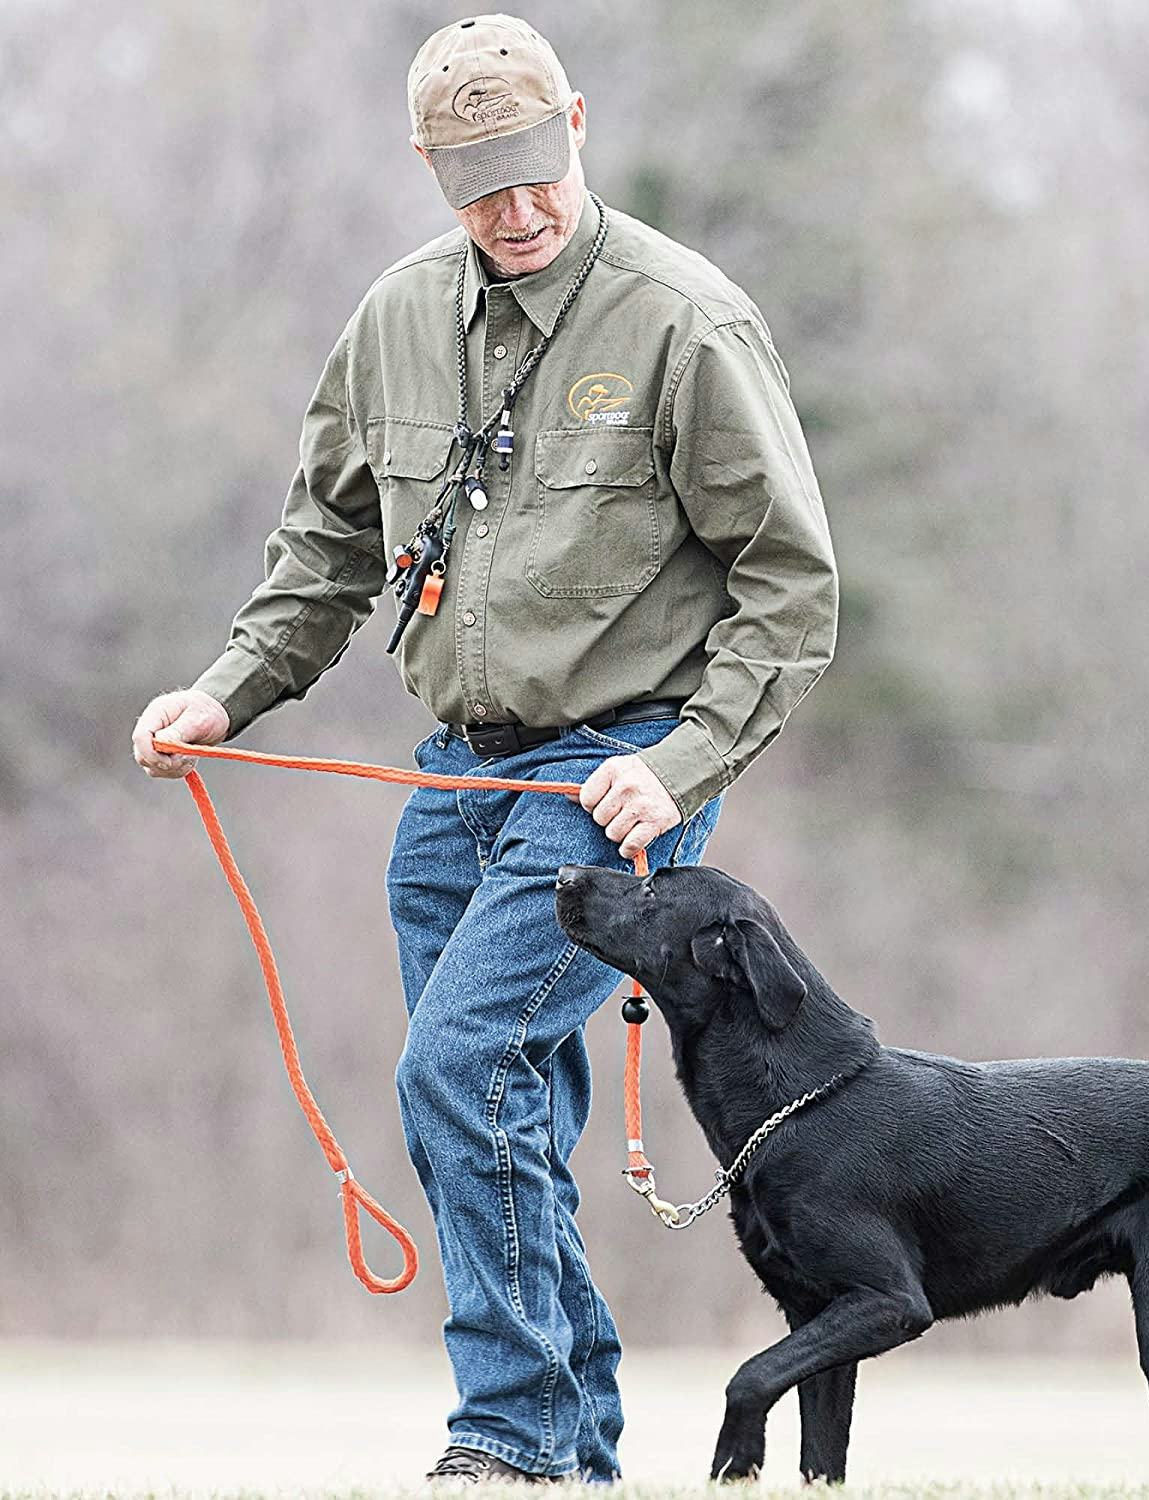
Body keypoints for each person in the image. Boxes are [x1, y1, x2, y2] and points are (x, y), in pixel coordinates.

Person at [129, 11, 839, 1487]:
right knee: (490, 1103)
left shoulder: (682, 318)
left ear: (577, 123)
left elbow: (791, 583)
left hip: (617, 773)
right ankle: (570, 1447)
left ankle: (508, 1438)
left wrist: (689, 762)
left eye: (532, 172)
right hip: (455, 773)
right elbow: (326, 541)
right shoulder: (393, 317)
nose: (514, 211)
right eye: (476, 184)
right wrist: (227, 691)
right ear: (428, 167)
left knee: (459, 1064)